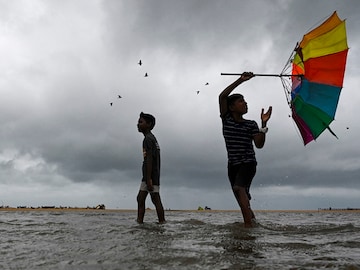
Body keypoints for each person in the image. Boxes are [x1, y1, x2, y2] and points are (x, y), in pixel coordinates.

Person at [219, 72, 272, 228]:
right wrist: (240, 80)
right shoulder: (226, 119)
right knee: (241, 197)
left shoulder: (251, 124)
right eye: (241, 101)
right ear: (231, 107)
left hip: (248, 163)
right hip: (232, 165)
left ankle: (247, 227)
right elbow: (222, 96)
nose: (245, 103)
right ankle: (254, 223)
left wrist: (263, 125)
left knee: (239, 188)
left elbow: (259, 145)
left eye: (245, 101)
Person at [136, 112, 165, 224]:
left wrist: (148, 179)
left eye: (140, 122)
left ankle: (161, 222)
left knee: (155, 199)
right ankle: (141, 221)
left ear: (149, 124)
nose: (138, 124)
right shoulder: (152, 138)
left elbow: (149, 159)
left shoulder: (148, 139)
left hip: (150, 175)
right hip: (152, 174)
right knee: (141, 198)